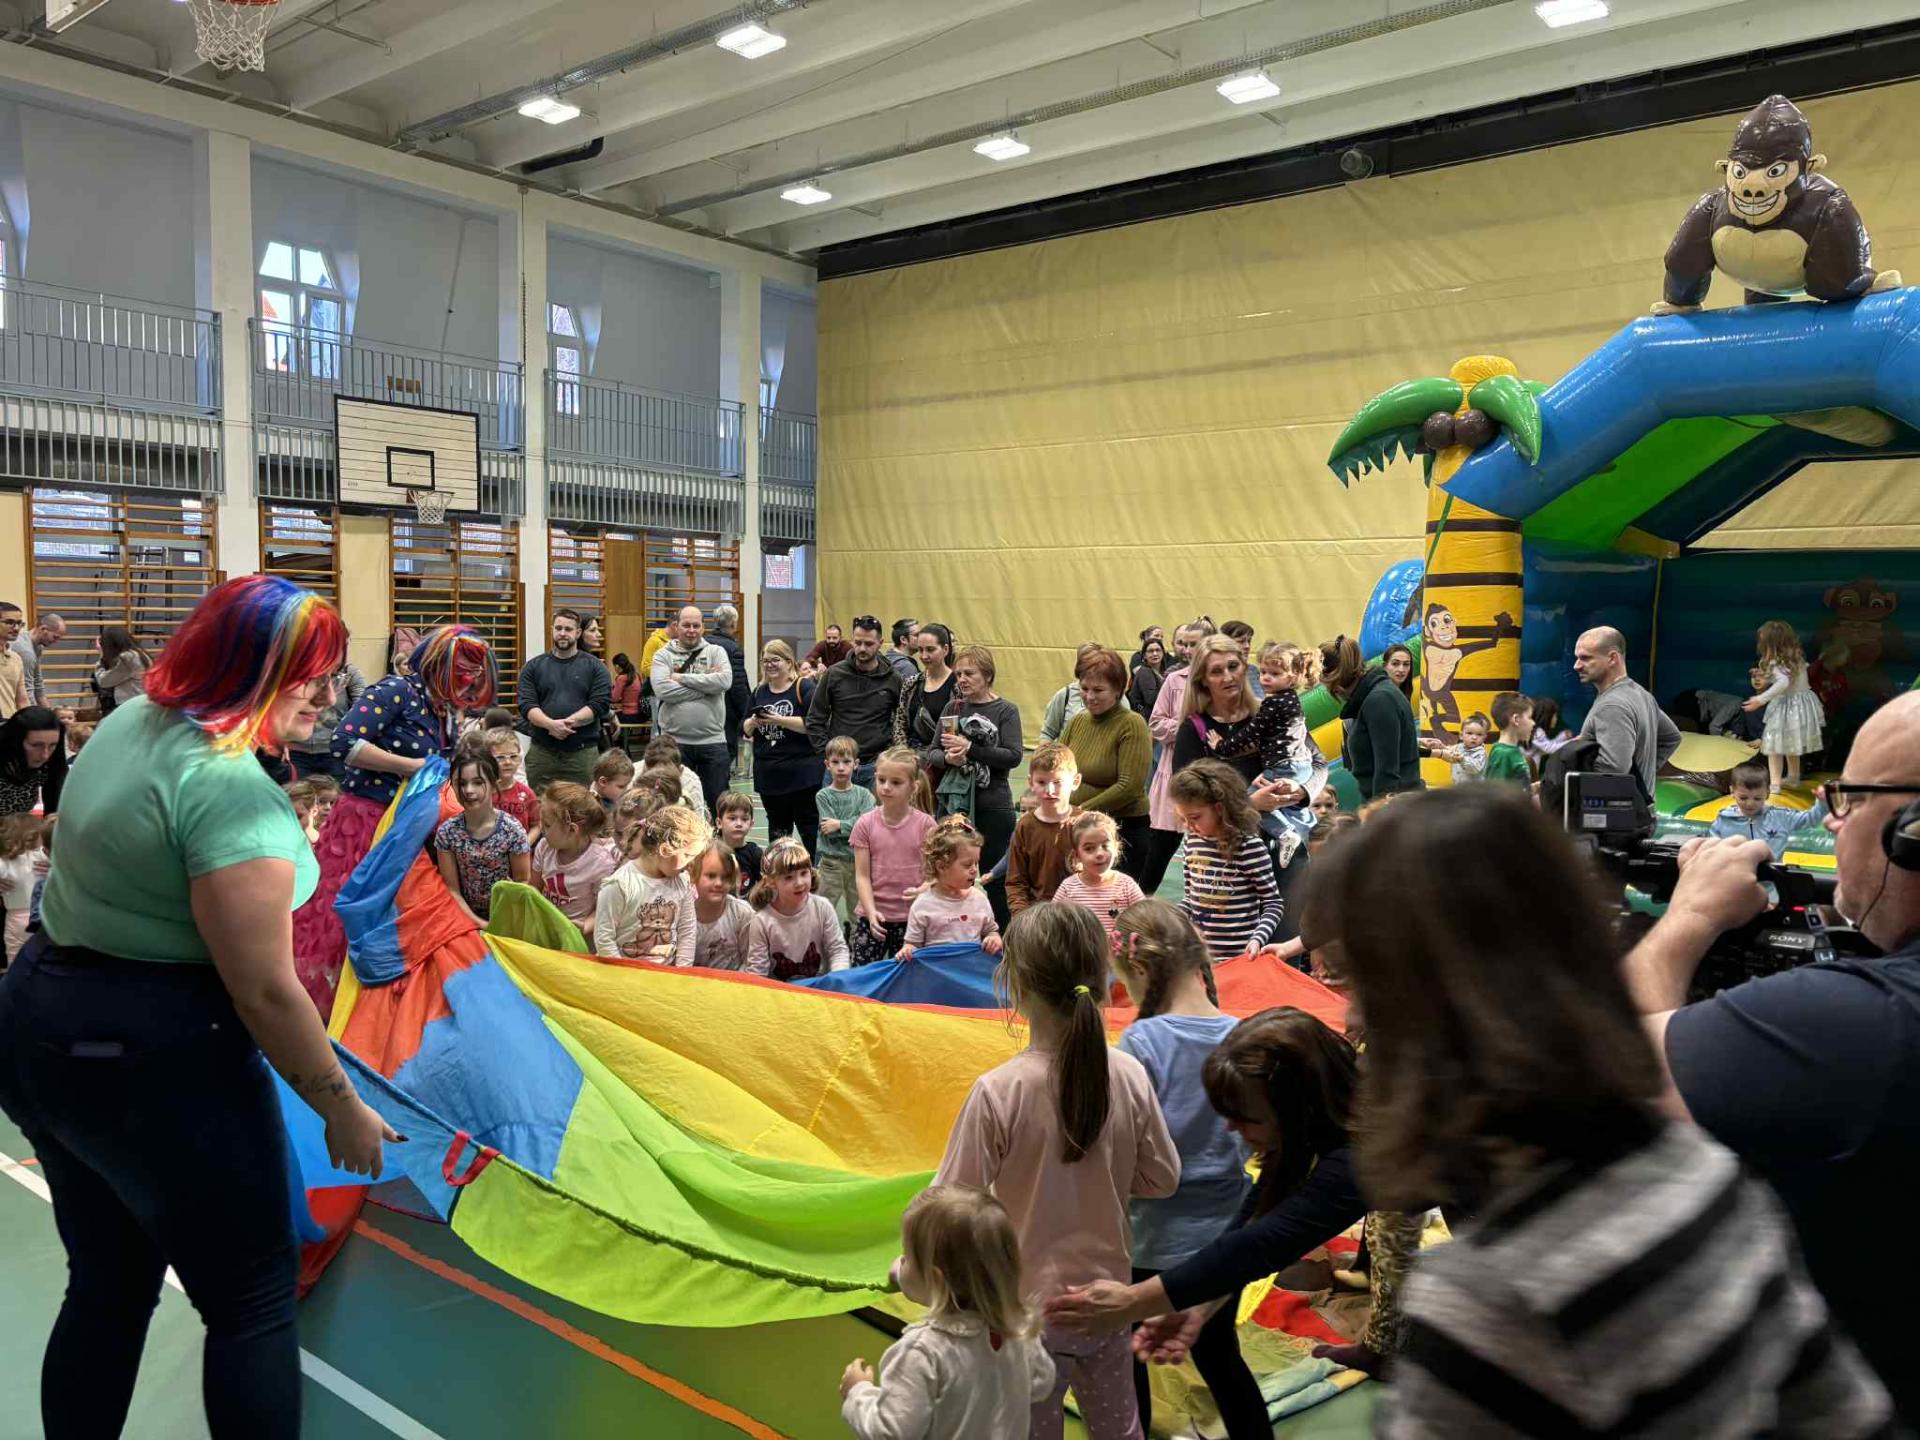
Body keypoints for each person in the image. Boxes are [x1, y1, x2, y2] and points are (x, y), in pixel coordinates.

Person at [1320, 787, 1893, 1437]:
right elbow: (1841, 1412)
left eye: (1363, 980)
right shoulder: (1704, 1172)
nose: (1354, 1014)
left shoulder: (1487, 1298)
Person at [0, 575, 397, 1439]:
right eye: (306, 676)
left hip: (41, 1022)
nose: (325, 695)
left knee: (106, 1284)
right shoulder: (228, 791)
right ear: (249, 669)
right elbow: (263, 988)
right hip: (154, 1056)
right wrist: (341, 1107)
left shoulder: (135, 721)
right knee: (251, 1299)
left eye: (329, 675)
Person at [1624, 690, 1920, 1420]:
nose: (1833, 821)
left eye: (1849, 801)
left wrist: (1689, 916)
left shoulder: (1866, 1024)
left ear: (1913, 834)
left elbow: (1621, 1077)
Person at [935, 903, 1180, 1440]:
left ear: (1016, 986)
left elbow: (949, 1205)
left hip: (1027, 1314)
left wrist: (914, 1272)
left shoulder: (999, 1091)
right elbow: (1163, 1178)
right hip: (1108, 1305)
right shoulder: (1129, 1074)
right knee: (1120, 1431)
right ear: (1102, 979)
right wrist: (1104, 1174)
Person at [1045, 1009, 1365, 1408]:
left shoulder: (1357, 1158)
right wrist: (1197, 1305)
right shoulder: (1305, 1130)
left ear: (1297, 1108)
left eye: (1245, 1117)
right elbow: (1253, 1220)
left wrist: (1132, 1301)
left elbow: (1264, 1244)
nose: (1231, 1128)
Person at [1103, 900, 1269, 1439]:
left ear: (1139, 968)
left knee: (1127, 1352)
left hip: (1152, 1236)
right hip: (1226, 1236)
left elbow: (1126, 1150)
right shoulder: (1242, 1033)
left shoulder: (1141, 1042)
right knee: (1221, 1355)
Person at [295, 625, 495, 1017]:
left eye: (474, 674)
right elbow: (344, 742)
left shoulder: (447, 709)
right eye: (461, 672)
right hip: (367, 823)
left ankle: (388, 1013)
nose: (468, 681)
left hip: (415, 828)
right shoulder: (396, 691)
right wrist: (413, 767)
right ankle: (337, 1012)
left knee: (405, 922)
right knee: (352, 919)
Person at [840, 1185, 1056, 1439]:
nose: (900, 1262)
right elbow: (1042, 1382)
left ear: (935, 1280)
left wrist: (858, 1392)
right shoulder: (1018, 1330)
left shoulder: (923, 1352)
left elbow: (890, 1432)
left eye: (906, 1256)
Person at [924, 645, 1023, 883]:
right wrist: (948, 759)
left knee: (995, 881)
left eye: (969, 673)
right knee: (949, 877)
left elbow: (1013, 756)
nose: (962, 679)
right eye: (959, 674)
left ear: (988, 675)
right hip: (954, 807)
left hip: (993, 806)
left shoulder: (1006, 710)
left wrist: (970, 749)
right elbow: (932, 752)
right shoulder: (953, 708)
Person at [1169, 760, 1282, 962]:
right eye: (1183, 819)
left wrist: (1258, 938)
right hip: (1200, 957)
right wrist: (1172, 917)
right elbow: (1191, 898)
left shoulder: (1249, 846)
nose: (1189, 826)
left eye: (1195, 817)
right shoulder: (1192, 840)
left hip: (1239, 958)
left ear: (1219, 808)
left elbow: (1273, 902)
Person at [1059, 647, 1152, 884]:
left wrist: (1081, 811)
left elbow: (1129, 786)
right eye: (1084, 689)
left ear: (1118, 690)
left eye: (1098, 690)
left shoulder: (1132, 724)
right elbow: (1056, 765)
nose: (1089, 696)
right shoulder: (1078, 720)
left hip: (1122, 833)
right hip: (1080, 830)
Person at [1141, 620, 1217, 896]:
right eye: (1182, 644)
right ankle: (1141, 899)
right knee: (1160, 845)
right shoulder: (1174, 680)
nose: (1186, 649)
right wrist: (1188, 729)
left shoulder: (1218, 682)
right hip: (1173, 770)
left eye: (1193, 644)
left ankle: (1204, 902)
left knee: (1206, 848)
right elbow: (1156, 723)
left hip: (1209, 773)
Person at [1571, 626, 1680, 800]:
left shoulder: (1612, 706)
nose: (1576, 666)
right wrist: (1642, 776)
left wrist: (1573, 768)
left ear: (1612, 658)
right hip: (1640, 809)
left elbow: (1613, 770)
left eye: (1585, 658)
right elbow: (1672, 738)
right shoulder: (1642, 695)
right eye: (1577, 658)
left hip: (1614, 812)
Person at [851, 747, 938, 966]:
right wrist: (870, 912)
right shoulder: (865, 824)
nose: (886, 787)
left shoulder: (926, 825)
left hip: (913, 919)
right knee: (863, 973)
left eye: (896, 782)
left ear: (913, 787)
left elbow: (937, 873)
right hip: (873, 917)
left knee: (909, 975)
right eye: (881, 780)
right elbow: (862, 876)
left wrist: (924, 888)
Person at [594, 804, 708, 965]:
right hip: (625, 974)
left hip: (666, 975)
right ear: (665, 850)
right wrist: (621, 974)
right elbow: (604, 938)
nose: (691, 864)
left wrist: (682, 971)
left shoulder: (682, 881)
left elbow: (687, 931)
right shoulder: (620, 884)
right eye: (688, 855)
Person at [648, 606, 733, 811]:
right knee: (675, 807)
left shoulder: (716, 652)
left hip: (713, 742)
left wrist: (682, 678)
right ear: (676, 626)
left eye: (696, 625)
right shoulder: (662, 655)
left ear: (703, 627)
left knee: (719, 807)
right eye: (686, 625)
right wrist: (707, 687)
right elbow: (663, 690)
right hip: (674, 744)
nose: (691, 630)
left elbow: (724, 681)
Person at [433, 746, 531, 924]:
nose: (468, 790)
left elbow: (522, 882)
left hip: (508, 917)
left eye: (478, 782)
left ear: (494, 784)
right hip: (464, 917)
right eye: (461, 783)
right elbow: (452, 890)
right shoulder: (447, 832)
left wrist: (499, 923)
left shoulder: (512, 831)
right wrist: (479, 924)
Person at [519, 608, 612, 791]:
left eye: (568, 629)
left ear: (578, 633)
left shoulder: (596, 668)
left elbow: (599, 704)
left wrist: (568, 723)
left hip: (582, 753)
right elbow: (526, 705)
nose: (562, 633)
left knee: (584, 804)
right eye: (558, 628)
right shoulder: (533, 667)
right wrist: (550, 725)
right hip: (542, 752)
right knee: (540, 804)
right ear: (552, 630)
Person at [1320, 635, 1422, 801]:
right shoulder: (1377, 696)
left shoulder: (1379, 700)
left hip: (1397, 805)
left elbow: (1387, 772)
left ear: (1335, 682)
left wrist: (1378, 810)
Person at [805, 616, 902, 787]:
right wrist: (829, 754)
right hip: (839, 767)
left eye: (869, 644)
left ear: (880, 643)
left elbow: (903, 721)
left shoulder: (893, 678)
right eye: (858, 643)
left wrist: (891, 753)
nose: (862, 648)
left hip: (876, 767)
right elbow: (814, 719)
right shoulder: (834, 674)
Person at [746, 639, 820, 856]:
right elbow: (744, 728)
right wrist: (753, 722)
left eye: (775, 660)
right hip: (770, 776)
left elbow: (812, 725)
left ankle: (811, 871)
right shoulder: (759, 691)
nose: (769, 665)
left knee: (809, 830)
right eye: (765, 661)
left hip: (803, 776)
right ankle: (779, 870)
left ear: (789, 662)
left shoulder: (804, 687)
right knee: (778, 833)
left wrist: (778, 719)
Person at [898, 815, 1002, 962]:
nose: (974, 870)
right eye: (967, 865)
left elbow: (991, 931)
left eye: (976, 863)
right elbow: (912, 944)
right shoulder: (923, 905)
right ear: (941, 866)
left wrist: (994, 939)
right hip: (937, 975)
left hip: (970, 973)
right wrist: (907, 950)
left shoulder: (979, 899)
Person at [746, 834, 850, 979]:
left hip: (818, 987)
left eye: (804, 873)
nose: (799, 883)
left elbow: (837, 950)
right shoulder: (762, 921)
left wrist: (838, 976)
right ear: (771, 882)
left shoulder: (822, 908)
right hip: (779, 991)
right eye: (789, 877)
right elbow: (758, 971)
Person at [532, 781, 618, 947]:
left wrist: (586, 925)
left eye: (547, 824)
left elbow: (606, 908)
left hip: (577, 941)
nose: (541, 828)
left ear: (572, 830)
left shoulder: (601, 865)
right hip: (546, 932)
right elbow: (534, 887)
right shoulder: (544, 847)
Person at [1745, 618, 1826, 794]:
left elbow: (1783, 682)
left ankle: (1774, 784)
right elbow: (1789, 678)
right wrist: (1765, 676)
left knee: (1773, 746)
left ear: (1769, 644)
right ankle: (1793, 777)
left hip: (1787, 706)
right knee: (1791, 744)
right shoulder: (1795, 658)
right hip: (1801, 705)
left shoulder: (1776, 662)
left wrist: (1761, 699)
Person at [1049, 811, 1145, 951]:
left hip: (1117, 960)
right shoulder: (1068, 887)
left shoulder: (1126, 885)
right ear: (1077, 855)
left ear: (1116, 848)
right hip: (1081, 958)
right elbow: (1051, 923)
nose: (1099, 853)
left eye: (1105, 846)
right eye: (1089, 848)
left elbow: (1145, 920)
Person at [1006, 742, 1081, 914]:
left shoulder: (1085, 823)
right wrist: (1021, 917)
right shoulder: (1025, 826)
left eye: (1057, 782)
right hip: (1036, 916)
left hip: (1078, 915)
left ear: (1075, 782)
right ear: (1030, 782)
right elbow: (1016, 881)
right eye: (1041, 782)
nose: (1050, 790)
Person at [1709, 758, 1830, 858]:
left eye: (1757, 798)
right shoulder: (1723, 821)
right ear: (1732, 792)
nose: (1750, 803)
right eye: (1743, 798)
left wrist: (1822, 802)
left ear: (1767, 793)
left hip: (1770, 877)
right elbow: (1712, 852)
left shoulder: (1780, 817)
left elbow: (1811, 819)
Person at [815, 736, 875, 924]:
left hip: (858, 863)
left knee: (858, 913)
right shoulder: (823, 795)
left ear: (856, 764)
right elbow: (828, 829)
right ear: (827, 765)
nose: (841, 767)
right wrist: (854, 824)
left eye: (846, 762)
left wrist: (840, 825)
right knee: (822, 911)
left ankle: (856, 941)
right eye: (835, 762)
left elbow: (867, 826)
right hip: (831, 863)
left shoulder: (865, 795)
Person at [288, 659, 366, 782]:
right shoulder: (297, 669)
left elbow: (362, 711)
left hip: (334, 751)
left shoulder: (349, 672)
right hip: (296, 750)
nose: (330, 698)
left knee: (335, 792)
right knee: (296, 792)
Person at [893, 622, 957, 752]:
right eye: (920, 650)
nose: (924, 656)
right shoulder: (911, 683)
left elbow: (954, 733)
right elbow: (900, 724)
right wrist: (903, 753)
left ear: (945, 649)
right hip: (910, 756)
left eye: (930, 650)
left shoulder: (957, 685)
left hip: (942, 756)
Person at [692, 841, 754, 970]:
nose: (719, 883)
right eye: (711, 876)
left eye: (726, 877)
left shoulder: (742, 914)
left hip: (732, 980)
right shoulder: (683, 913)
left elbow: (751, 960)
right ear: (694, 875)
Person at [707, 603, 754, 773]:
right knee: (725, 754)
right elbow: (738, 685)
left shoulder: (704, 644)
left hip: (706, 707)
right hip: (727, 711)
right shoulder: (733, 649)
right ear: (734, 624)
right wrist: (747, 711)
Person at [0, 706, 68, 817]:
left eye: (52, 745)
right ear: (16, 742)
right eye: (36, 745)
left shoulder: (52, 761)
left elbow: (54, 806)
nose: (45, 755)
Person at [0, 812, 45, 963]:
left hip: (16, 918)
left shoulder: (5, 861)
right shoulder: (43, 857)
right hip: (44, 916)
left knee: (15, 960)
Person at [483, 725, 540, 832]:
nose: (508, 762)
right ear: (487, 760)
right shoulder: (482, 792)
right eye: (500, 757)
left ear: (520, 759)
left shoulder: (527, 794)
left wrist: (526, 841)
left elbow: (536, 825)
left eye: (513, 756)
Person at [643, 734, 708, 820]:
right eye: (655, 775)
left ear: (680, 771)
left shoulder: (691, 782)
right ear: (645, 768)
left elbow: (699, 821)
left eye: (666, 776)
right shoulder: (634, 773)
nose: (660, 780)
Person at [92, 626, 151, 716]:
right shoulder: (140, 654)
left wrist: (102, 657)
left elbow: (104, 681)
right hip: (141, 703)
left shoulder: (128, 658)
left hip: (131, 706)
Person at [713, 790, 763, 895]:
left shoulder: (755, 854)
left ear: (751, 824)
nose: (739, 823)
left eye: (744, 819)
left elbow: (763, 886)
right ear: (719, 823)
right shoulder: (712, 852)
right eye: (732, 818)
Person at [13, 611, 65, 707]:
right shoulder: (25, 651)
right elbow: (27, 689)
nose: (56, 641)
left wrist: (48, 711)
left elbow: (37, 682)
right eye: (55, 637)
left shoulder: (37, 647)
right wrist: (34, 713)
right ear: (43, 629)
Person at [1484, 692, 1535, 784]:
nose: (1533, 723)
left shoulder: (1511, 750)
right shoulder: (1502, 753)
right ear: (1516, 719)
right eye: (1530, 717)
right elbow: (1495, 790)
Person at [608, 652, 645, 749]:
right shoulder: (636, 675)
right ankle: (621, 744)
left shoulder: (622, 678)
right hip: (640, 715)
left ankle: (615, 744)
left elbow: (614, 698)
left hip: (629, 716)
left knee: (607, 717)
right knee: (615, 713)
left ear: (617, 666)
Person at [0, 603, 31, 719]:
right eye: (9, 622)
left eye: (19, 623)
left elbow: (22, 701)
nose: (16, 628)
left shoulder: (16, 658)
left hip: (9, 724)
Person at [1127, 637, 1166, 719]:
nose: (1155, 653)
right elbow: (1151, 699)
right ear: (1144, 655)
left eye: (1158, 650)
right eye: (1150, 651)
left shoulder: (1161, 672)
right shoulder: (1145, 672)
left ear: (1163, 653)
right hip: (1146, 719)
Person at [886, 618, 921, 684]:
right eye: (917, 635)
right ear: (903, 639)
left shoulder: (887, 658)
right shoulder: (906, 667)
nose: (921, 638)